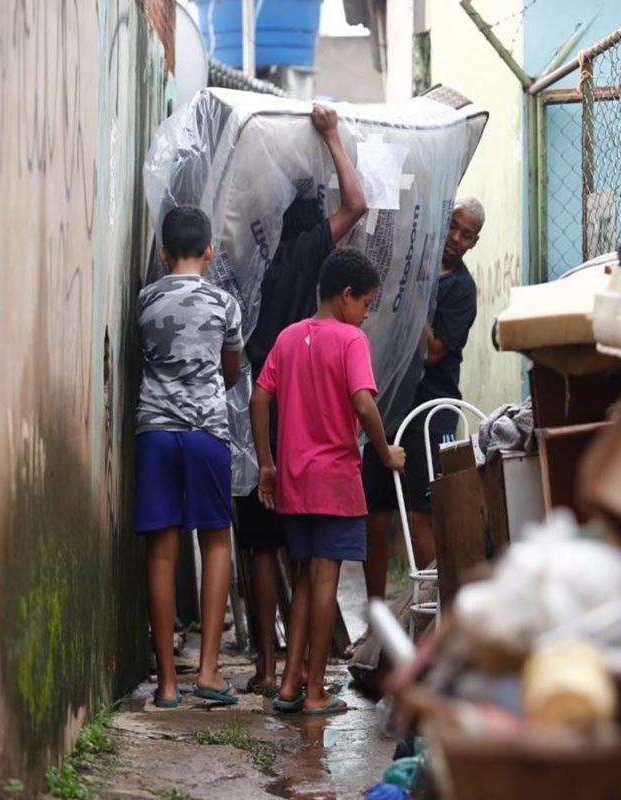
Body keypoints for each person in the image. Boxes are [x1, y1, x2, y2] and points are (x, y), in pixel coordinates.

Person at [235, 103, 368, 697]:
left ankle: (271, 669)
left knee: (265, 542)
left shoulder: (246, 256)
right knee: (315, 560)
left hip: (258, 395)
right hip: (308, 419)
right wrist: (334, 136)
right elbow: (357, 204)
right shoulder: (314, 251)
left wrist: (262, 457)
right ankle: (307, 676)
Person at [250, 248, 406, 715]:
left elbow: (260, 397)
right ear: (346, 297)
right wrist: (385, 453)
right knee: (324, 580)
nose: (364, 315)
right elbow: (362, 402)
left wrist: (267, 462)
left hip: (294, 478)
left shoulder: (288, 337)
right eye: (366, 304)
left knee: (303, 579)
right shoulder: (350, 341)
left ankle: (289, 682)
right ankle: (316, 688)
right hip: (336, 479)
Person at [355, 197, 483, 652]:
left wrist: (414, 292)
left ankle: (434, 628)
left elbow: (432, 352)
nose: (456, 239)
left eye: (467, 234)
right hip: (388, 406)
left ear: (474, 242)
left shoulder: (460, 291)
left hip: (431, 408)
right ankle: (375, 626)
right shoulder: (411, 266)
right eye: (453, 227)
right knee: (375, 514)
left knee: (421, 514)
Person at [135, 205, 243, 707]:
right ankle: (208, 672)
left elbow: (147, 357)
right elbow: (233, 371)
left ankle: (166, 685)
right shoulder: (224, 303)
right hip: (206, 432)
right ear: (209, 252)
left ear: (161, 254)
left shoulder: (144, 300)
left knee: (162, 550)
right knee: (215, 540)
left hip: (155, 431)